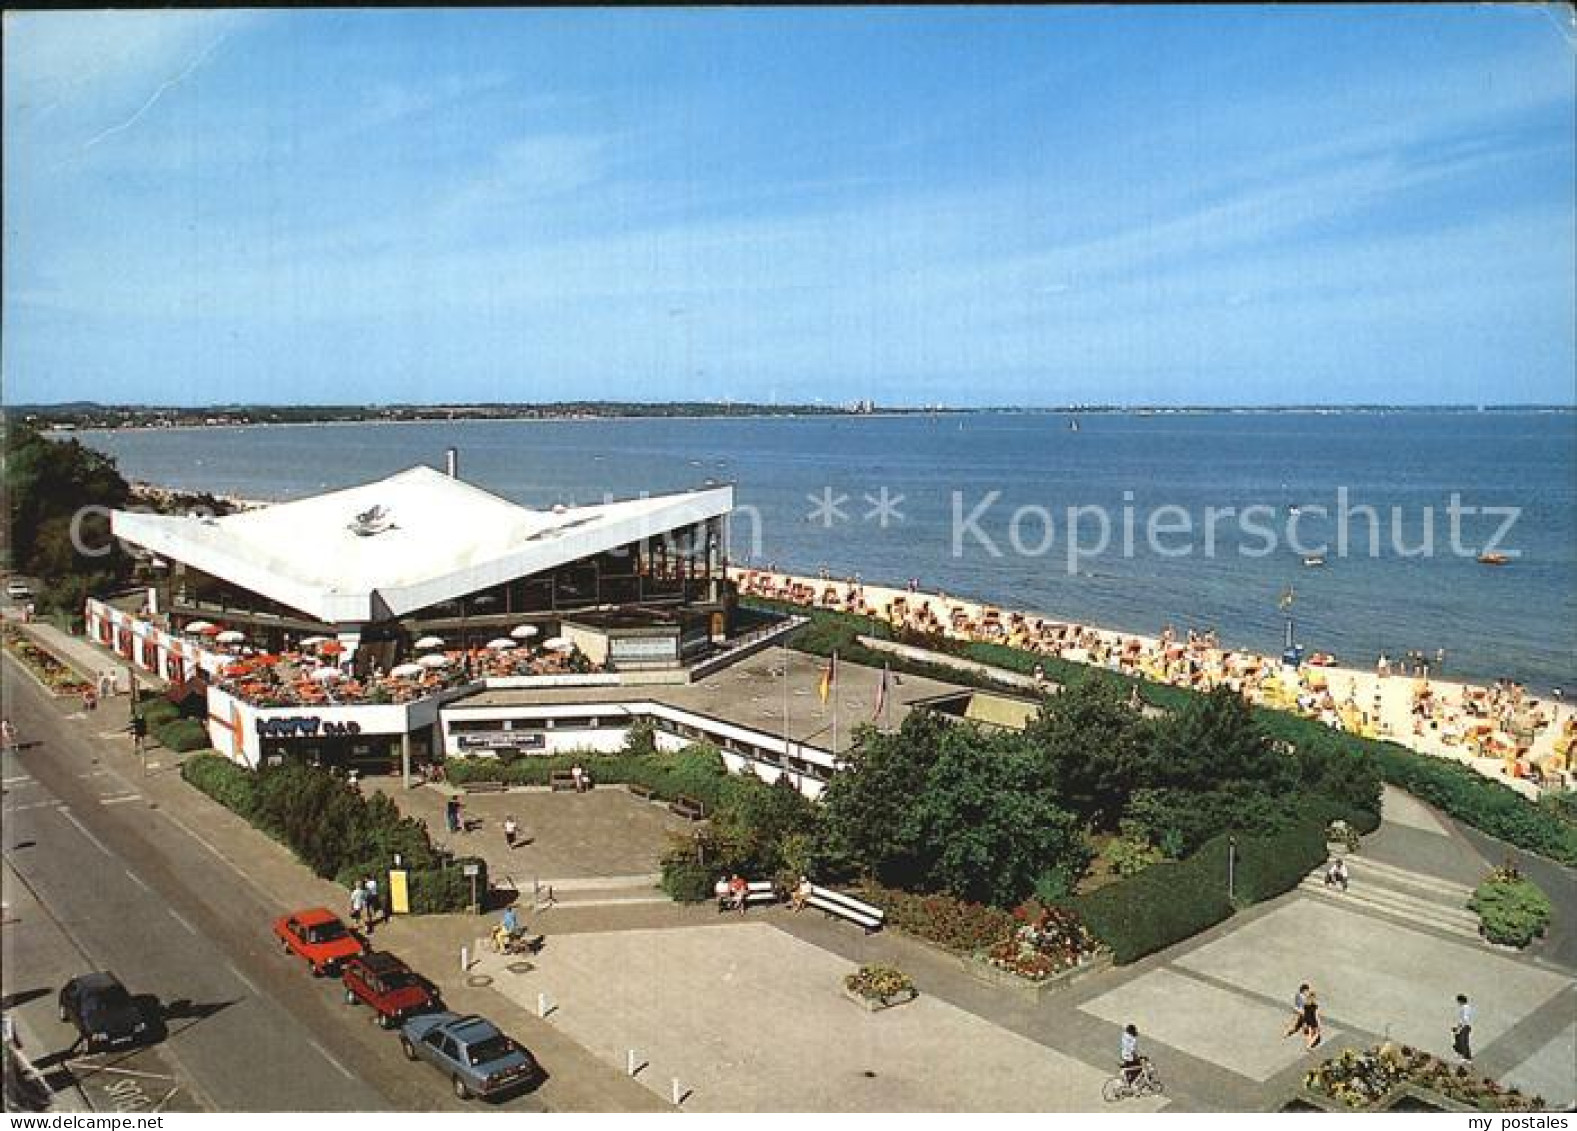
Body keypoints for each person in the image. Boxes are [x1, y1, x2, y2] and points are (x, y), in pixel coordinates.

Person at [1452, 993, 1473, 1064]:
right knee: (1461, 1041)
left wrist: (1459, 1027)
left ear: (1461, 1001)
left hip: (1464, 1027)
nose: (1458, 1003)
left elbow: (1464, 1019)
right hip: (1465, 1026)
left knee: (1464, 1042)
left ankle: (1467, 1058)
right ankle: (1463, 1055)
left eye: (1458, 1001)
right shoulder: (1466, 1007)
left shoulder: (1465, 1008)